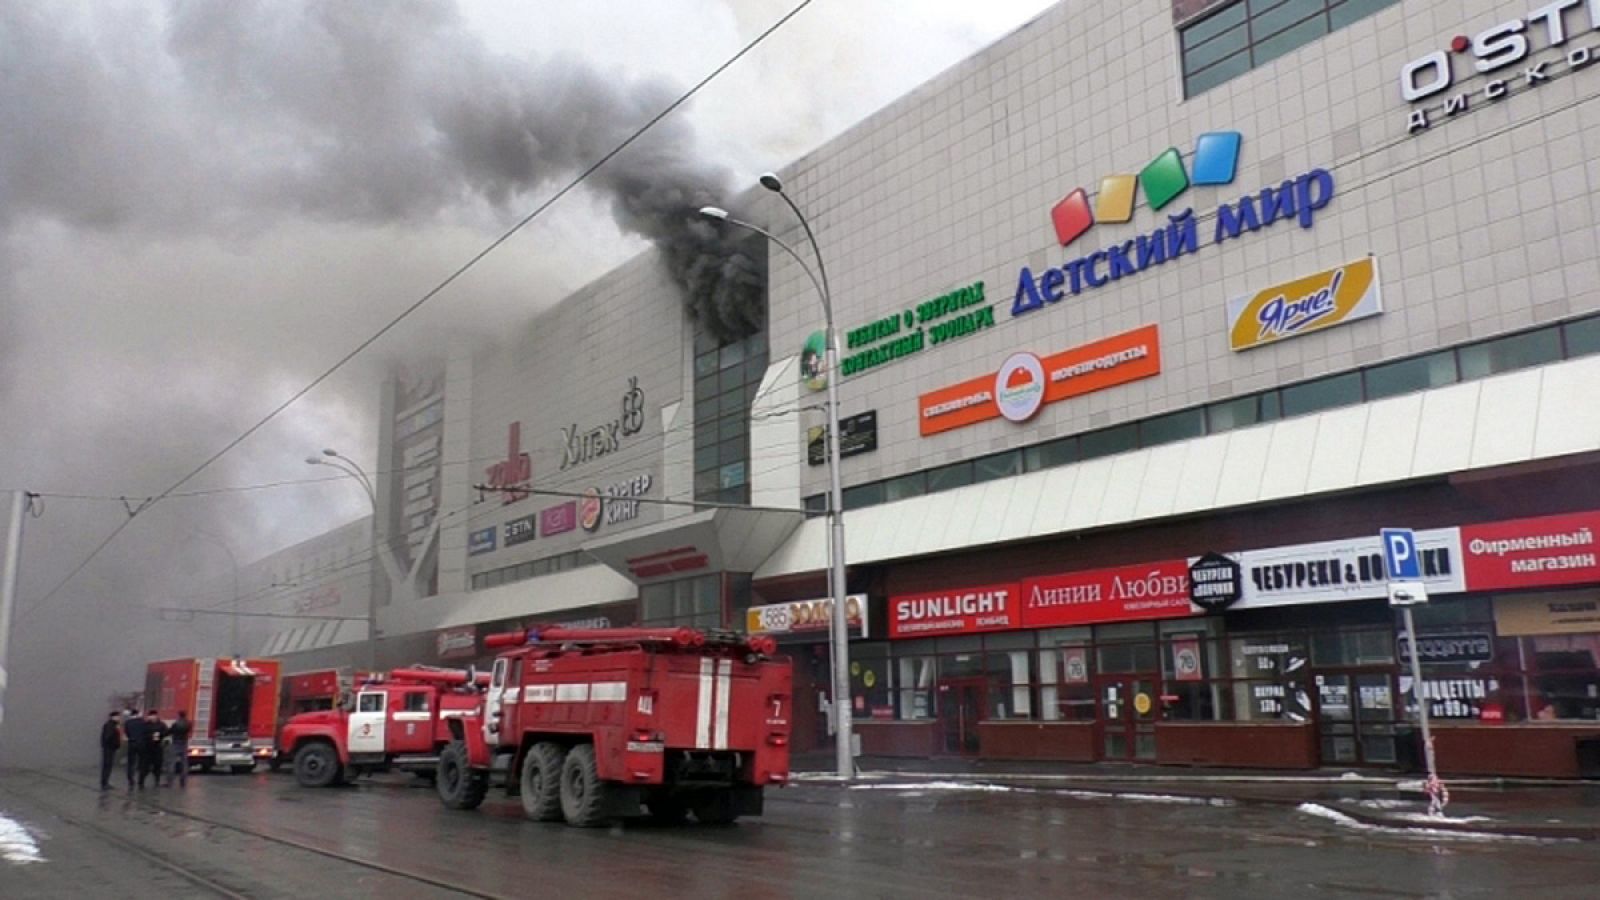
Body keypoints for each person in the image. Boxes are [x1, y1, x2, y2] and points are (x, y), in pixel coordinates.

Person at [138, 710, 167, 789]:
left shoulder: (161, 725)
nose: (153, 717)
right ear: (149, 717)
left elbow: (165, 733)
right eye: (151, 716)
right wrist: (149, 737)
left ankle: (157, 781)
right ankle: (141, 782)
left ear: (156, 716)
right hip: (147, 748)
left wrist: (161, 736)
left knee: (157, 766)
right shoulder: (145, 725)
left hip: (157, 748)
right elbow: (141, 735)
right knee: (145, 766)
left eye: (154, 715)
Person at [122, 706, 146, 790]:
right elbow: (145, 732)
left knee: (131, 762)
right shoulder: (142, 722)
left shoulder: (127, 723)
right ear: (138, 714)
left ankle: (130, 779)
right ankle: (141, 780)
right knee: (142, 762)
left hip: (132, 744)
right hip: (141, 744)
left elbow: (127, 733)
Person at [167, 710, 193, 787]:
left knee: (172, 763)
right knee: (184, 763)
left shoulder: (175, 724)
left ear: (179, 715)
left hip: (175, 743)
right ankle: (183, 781)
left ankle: (170, 781)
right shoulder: (188, 724)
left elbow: (169, 732)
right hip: (184, 743)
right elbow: (188, 731)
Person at [99, 711, 122, 790]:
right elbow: (108, 737)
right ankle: (105, 783)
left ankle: (105, 782)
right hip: (109, 749)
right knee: (107, 765)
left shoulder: (111, 725)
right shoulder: (110, 725)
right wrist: (113, 744)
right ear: (113, 717)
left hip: (109, 748)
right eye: (118, 716)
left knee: (107, 765)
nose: (119, 718)